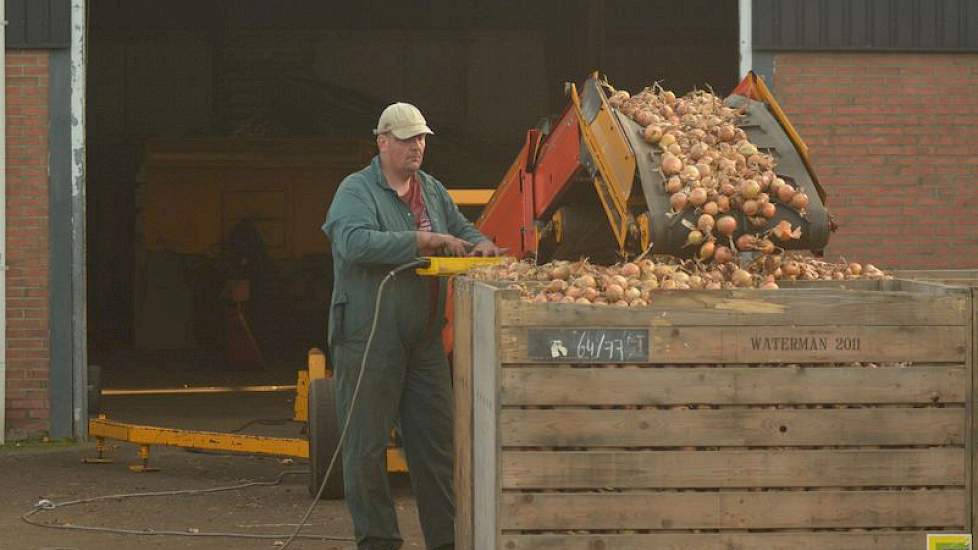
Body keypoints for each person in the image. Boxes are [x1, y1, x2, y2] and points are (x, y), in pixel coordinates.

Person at [322, 102, 503, 550]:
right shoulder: (356, 190)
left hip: (423, 341)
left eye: (421, 138)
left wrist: (481, 243)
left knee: (436, 447)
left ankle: (446, 541)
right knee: (365, 449)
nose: (416, 147)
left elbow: (462, 227)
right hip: (369, 336)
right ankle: (379, 540)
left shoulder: (432, 190)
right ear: (382, 142)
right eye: (406, 139)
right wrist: (422, 240)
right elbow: (353, 242)